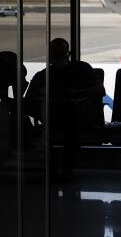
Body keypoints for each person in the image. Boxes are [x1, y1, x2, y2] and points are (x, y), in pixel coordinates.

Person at [23, 38, 106, 181]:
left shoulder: (81, 69)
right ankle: (60, 168)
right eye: (55, 54)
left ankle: (56, 168)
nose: (58, 58)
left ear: (67, 54)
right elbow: (29, 99)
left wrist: (75, 94)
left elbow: (100, 90)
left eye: (60, 54)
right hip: (60, 116)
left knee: (68, 119)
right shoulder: (43, 75)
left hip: (75, 116)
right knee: (66, 121)